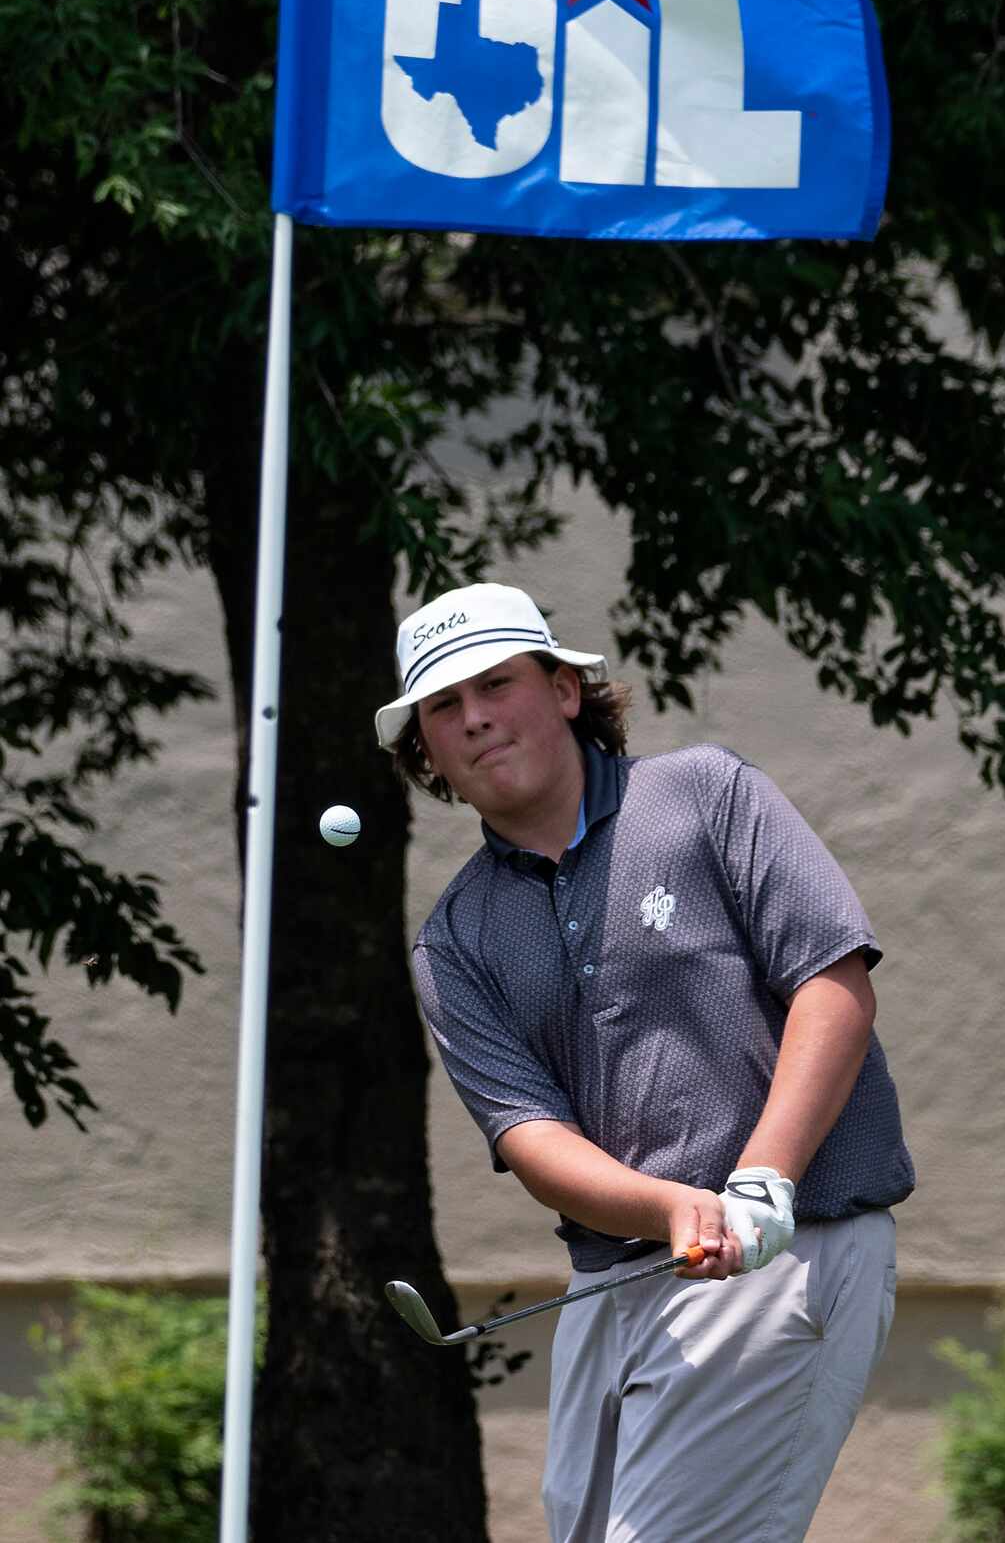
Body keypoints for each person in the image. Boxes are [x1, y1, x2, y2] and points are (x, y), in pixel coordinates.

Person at [377, 581, 914, 1543]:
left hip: (784, 1252)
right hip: (617, 1280)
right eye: (444, 707)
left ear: (565, 690)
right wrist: (668, 1207)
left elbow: (833, 991)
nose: (476, 718)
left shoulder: (706, 796)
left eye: (496, 683)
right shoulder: (453, 939)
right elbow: (531, 1136)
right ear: (428, 752)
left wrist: (759, 1181)